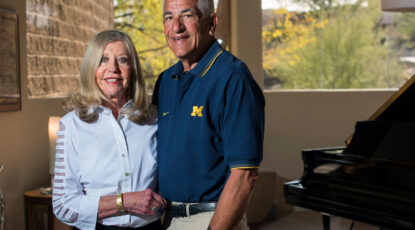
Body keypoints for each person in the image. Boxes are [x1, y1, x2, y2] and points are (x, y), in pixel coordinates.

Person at [152, 0, 265, 229]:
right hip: (169, 218)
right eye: (168, 17)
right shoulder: (165, 81)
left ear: (211, 23)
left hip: (211, 219)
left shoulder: (234, 79)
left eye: (187, 16)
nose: (176, 27)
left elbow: (244, 176)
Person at [52, 30, 165, 230]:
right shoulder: (71, 125)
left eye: (122, 60)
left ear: (133, 69)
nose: (113, 68)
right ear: (91, 68)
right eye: (103, 60)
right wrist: (124, 201)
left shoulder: (155, 118)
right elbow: (63, 206)